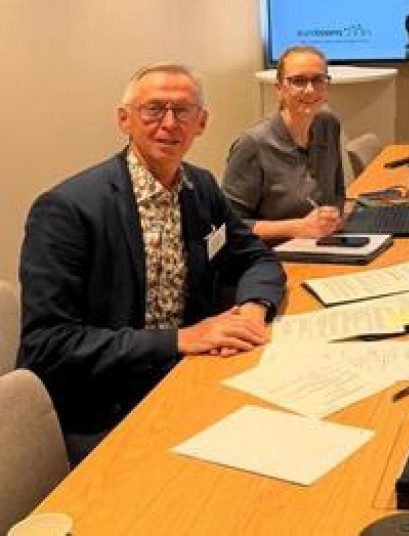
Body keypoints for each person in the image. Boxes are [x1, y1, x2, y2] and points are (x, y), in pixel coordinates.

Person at [18, 63, 286, 465]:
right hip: (101, 406)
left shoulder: (200, 187)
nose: (169, 123)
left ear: (202, 122)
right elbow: (48, 344)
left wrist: (252, 310)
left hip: (185, 378)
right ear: (124, 119)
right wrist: (180, 339)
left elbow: (257, 258)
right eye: (154, 109)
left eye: (183, 111)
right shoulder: (67, 210)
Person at [222, 45, 344, 243]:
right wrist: (298, 227)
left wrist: (333, 217)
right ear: (279, 89)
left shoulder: (329, 124)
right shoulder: (253, 144)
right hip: (270, 252)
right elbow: (228, 226)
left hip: (322, 244)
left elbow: (337, 192)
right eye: (298, 81)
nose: (310, 89)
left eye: (318, 79)